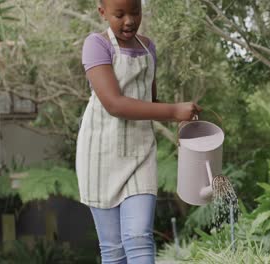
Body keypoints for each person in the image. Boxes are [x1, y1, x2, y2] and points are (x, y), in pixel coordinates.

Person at [76, 0, 201, 263]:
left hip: (140, 152)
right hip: (100, 156)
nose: (129, 20)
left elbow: (147, 102)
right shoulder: (96, 45)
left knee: (139, 238)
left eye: (135, 12)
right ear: (103, 13)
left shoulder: (148, 48)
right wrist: (172, 111)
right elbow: (114, 104)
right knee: (114, 250)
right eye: (119, 14)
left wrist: (181, 119)